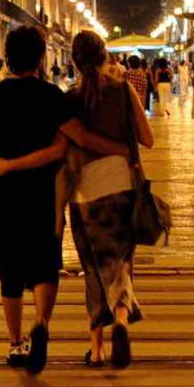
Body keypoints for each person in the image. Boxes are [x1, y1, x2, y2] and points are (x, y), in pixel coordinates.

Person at [0, 26, 128, 374]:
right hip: (45, 197)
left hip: (6, 197)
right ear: (40, 58)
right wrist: (119, 150)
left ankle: (16, 342)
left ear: (7, 58)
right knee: (44, 267)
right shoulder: (53, 97)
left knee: (9, 273)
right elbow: (72, 141)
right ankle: (42, 324)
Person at [60, 31, 155, 369]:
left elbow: (72, 143)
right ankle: (123, 319)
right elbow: (148, 139)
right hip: (123, 185)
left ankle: (97, 348)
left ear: (74, 61)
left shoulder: (70, 99)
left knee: (93, 268)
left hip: (86, 191)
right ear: (105, 56)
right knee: (121, 262)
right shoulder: (124, 90)